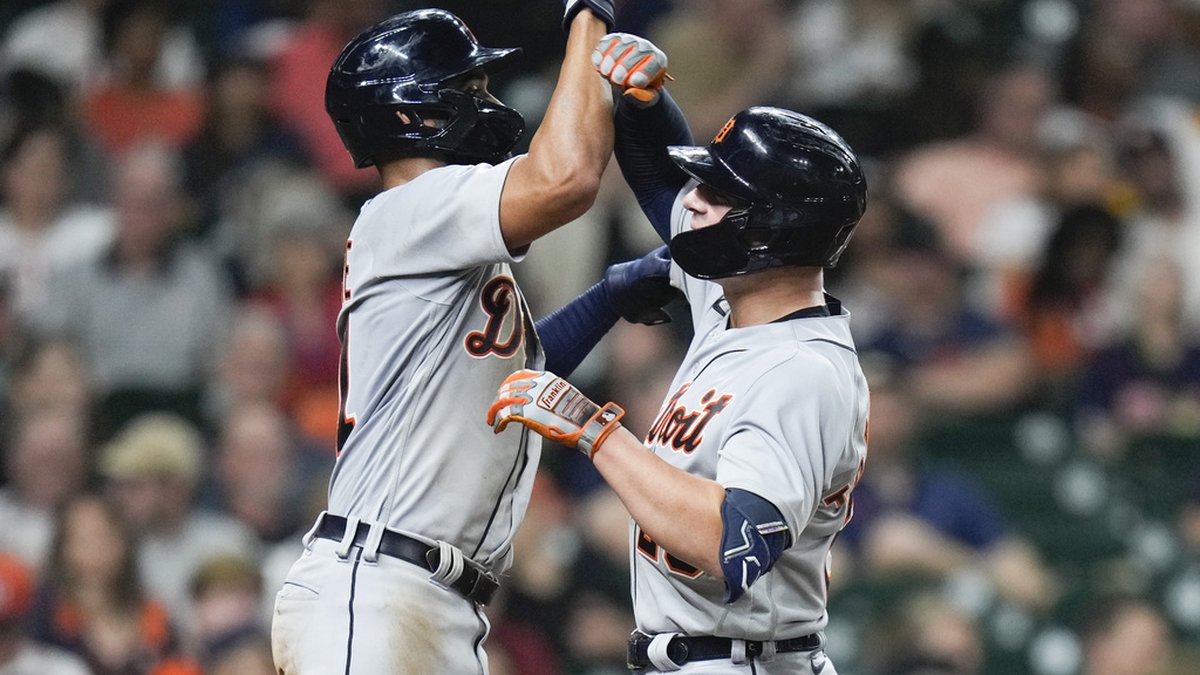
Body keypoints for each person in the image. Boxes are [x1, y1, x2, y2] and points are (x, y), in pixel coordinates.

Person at [270, 4, 680, 674]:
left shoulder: (439, 232)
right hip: (378, 589)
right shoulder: (410, 209)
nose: (486, 104)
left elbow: (513, 385)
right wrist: (588, 17)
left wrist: (608, 298)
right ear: (410, 113)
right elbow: (566, 178)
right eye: (468, 91)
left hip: (429, 599)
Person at [488, 34, 870, 674]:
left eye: (717, 195)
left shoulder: (801, 373)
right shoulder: (735, 301)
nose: (692, 203)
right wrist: (645, 100)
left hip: (748, 660)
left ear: (769, 231)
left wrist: (595, 434)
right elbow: (664, 179)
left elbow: (736, 542)